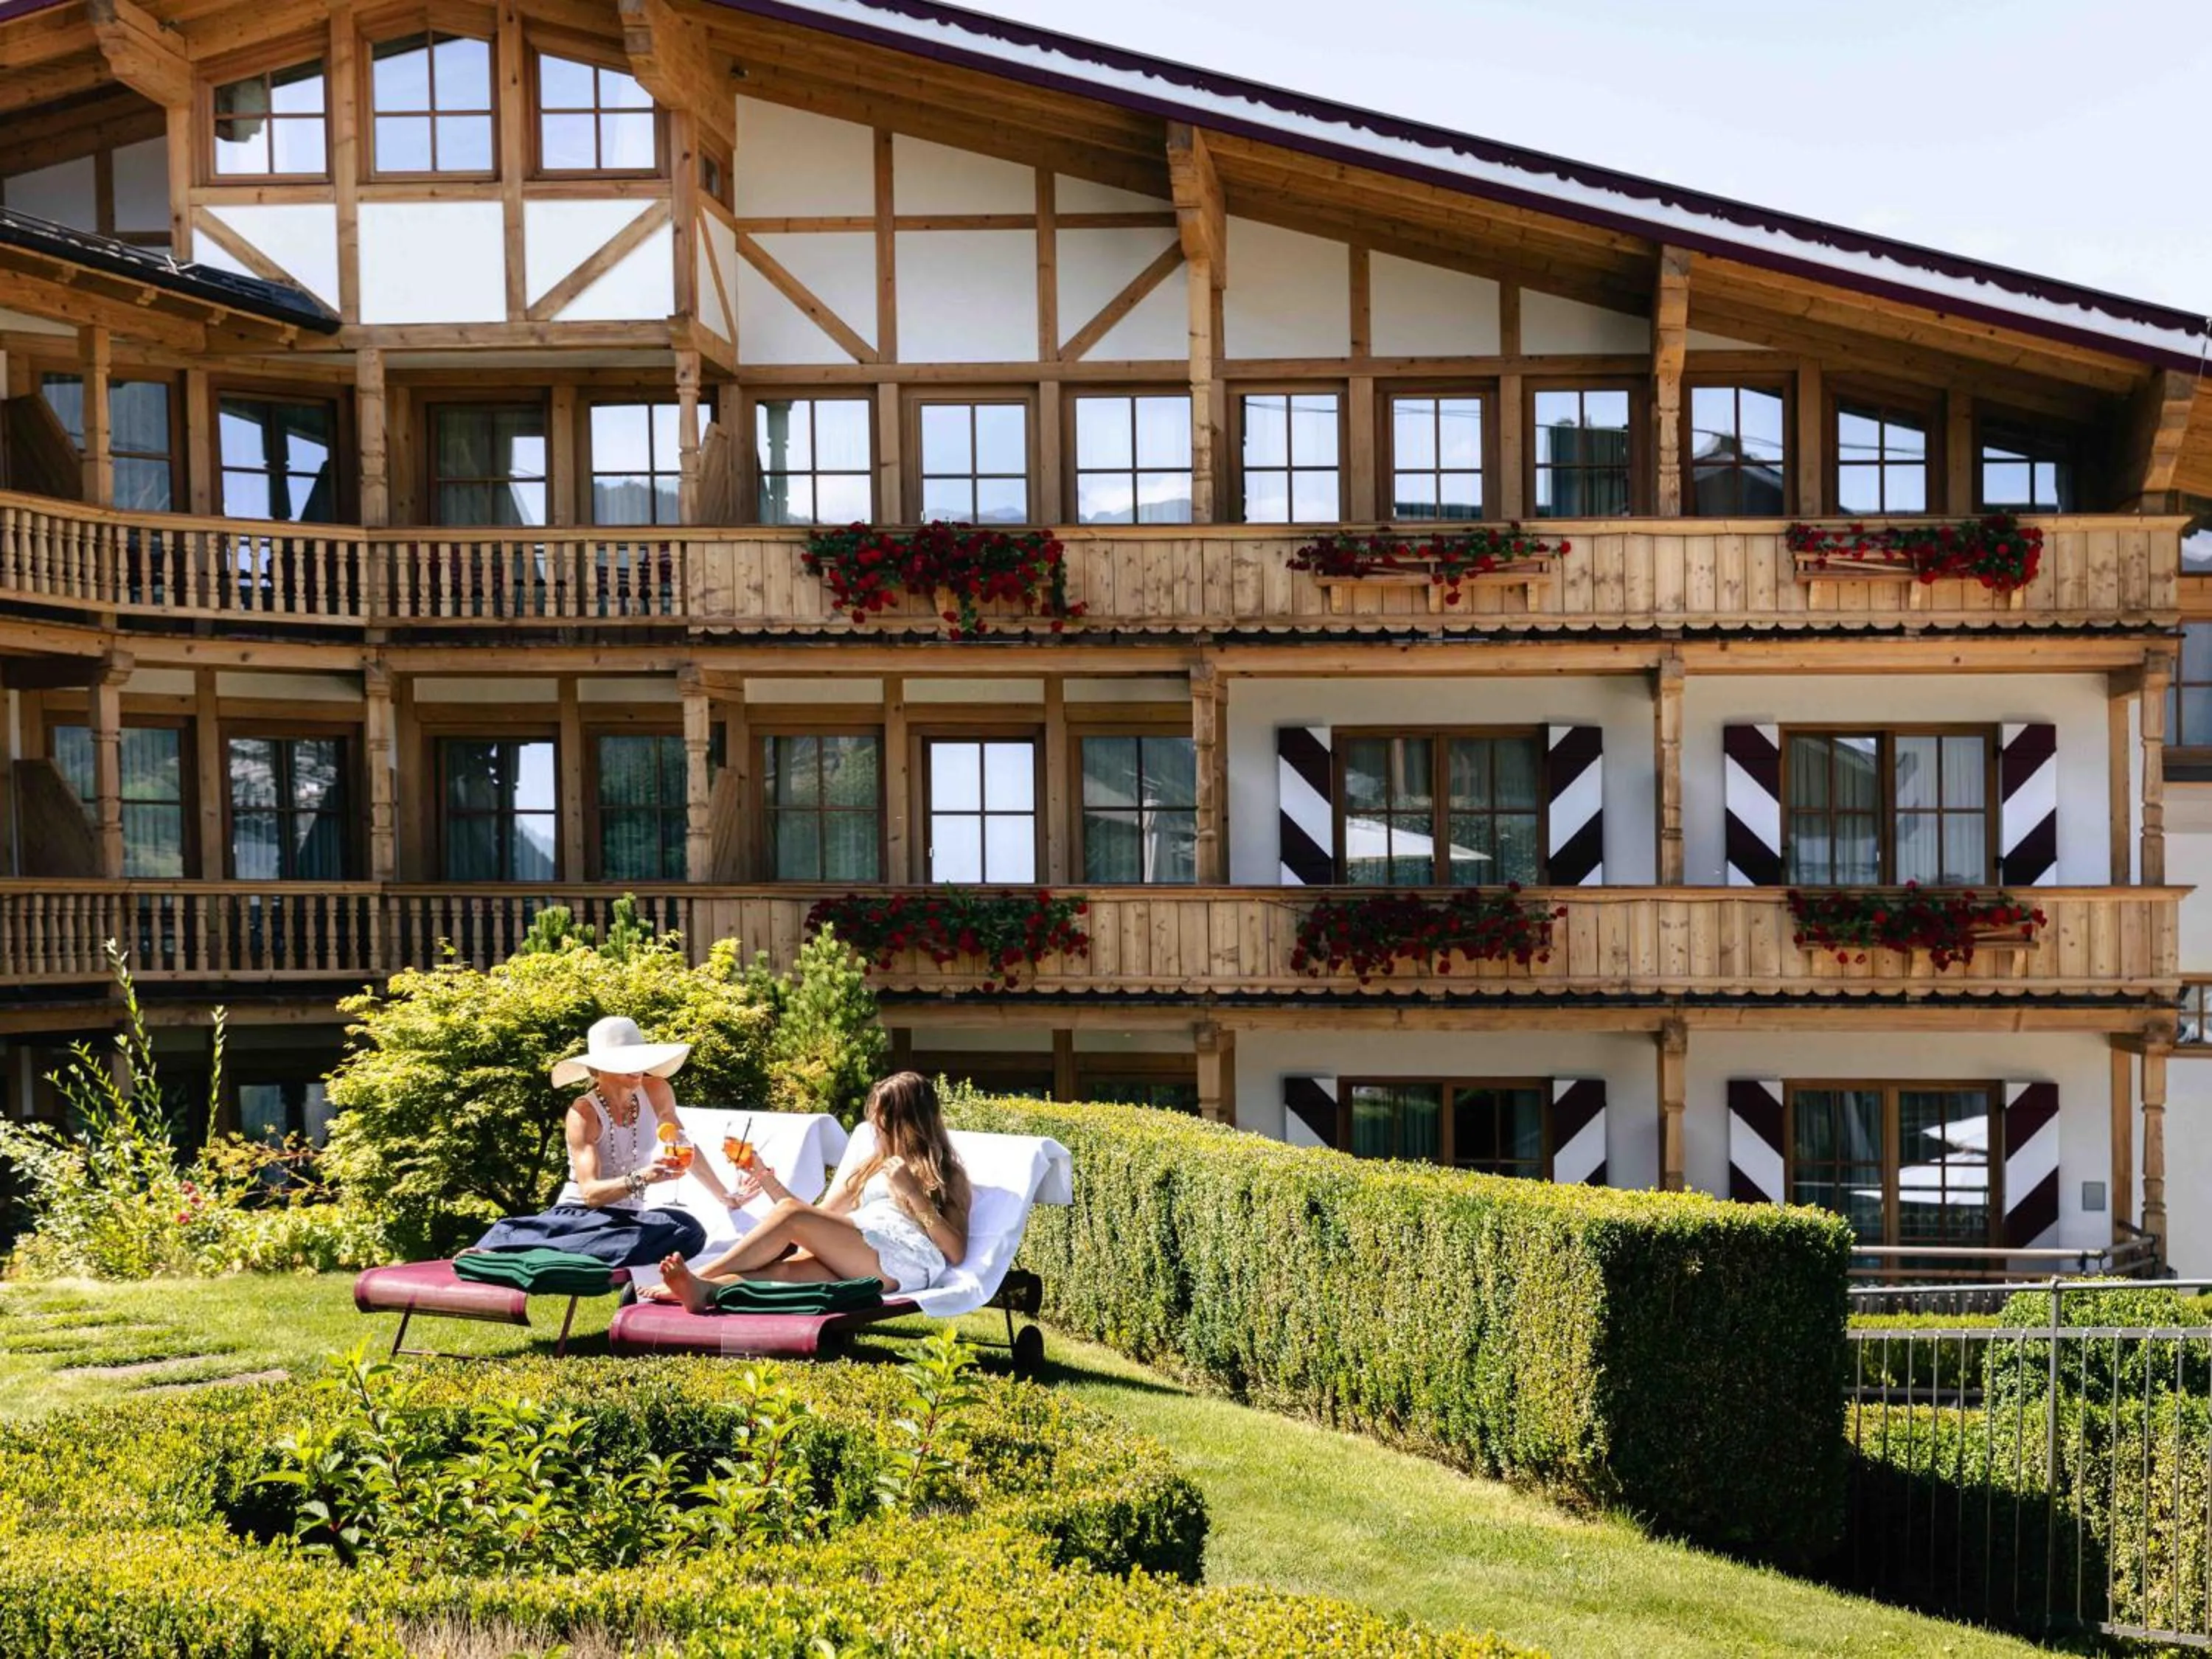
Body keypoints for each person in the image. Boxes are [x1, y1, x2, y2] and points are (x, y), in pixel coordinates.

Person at [650, 1071, 970, 1312]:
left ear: (909, 1121)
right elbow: (813, 1219)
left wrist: (914, 1193)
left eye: (883, 1119)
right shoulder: (870, 1167)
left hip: (906, 1259)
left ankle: (700, 1274)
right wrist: (763, 1175)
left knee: (791, 1217)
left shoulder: (948, 1173)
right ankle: (704, 1291)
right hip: (860, 1254)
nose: (876, 1128)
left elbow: (956, 1252)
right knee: (781, 1273)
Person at [468, 1015, 747, 1267]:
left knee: (687, 1230)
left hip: (628, 1221)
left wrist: (725, 1196)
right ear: (597, 1070)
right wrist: (643, 1178)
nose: (637, 1068)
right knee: (619, 1236)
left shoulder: (657, 1090)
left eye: (638, 1059)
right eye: (624, 1062)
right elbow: (590, 1194)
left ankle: (539, 1249)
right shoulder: (584, 1113)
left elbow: (684, 1146)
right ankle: (518, 1245)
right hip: (582, 1216)